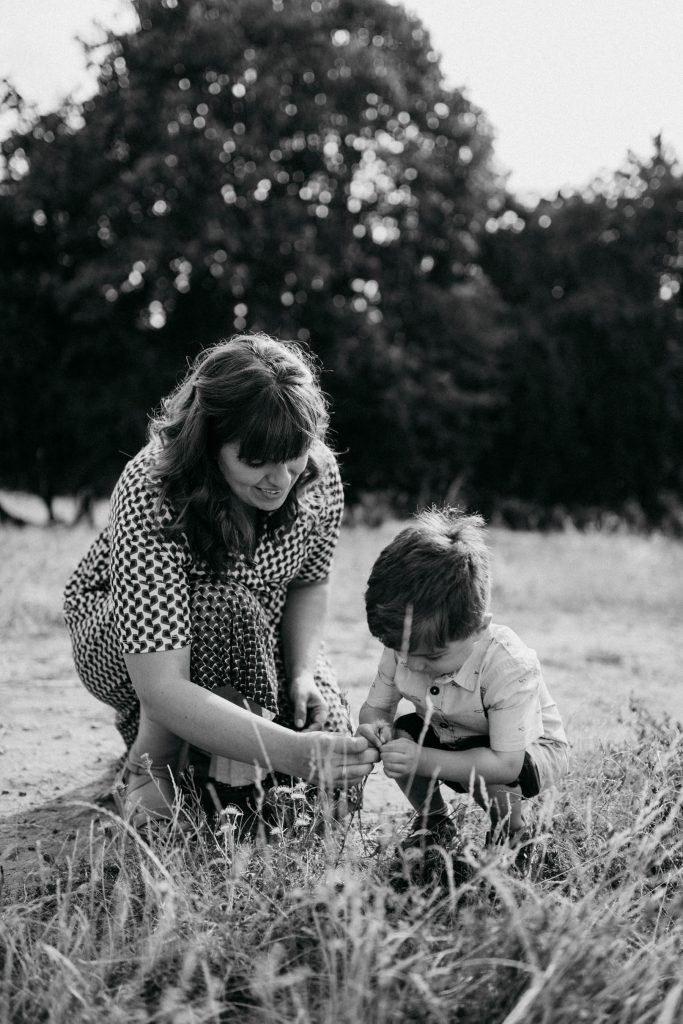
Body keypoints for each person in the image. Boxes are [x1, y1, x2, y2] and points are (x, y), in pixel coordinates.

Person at [64, 332, 377, 828]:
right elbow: (163, 684)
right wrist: (293, 752)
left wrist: (299, 673)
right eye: (256, 461)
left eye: (291, 457)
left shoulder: (319, 476)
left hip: (255, 634)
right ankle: (155, 759)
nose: (279, 479)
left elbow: (309, 584)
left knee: (327, 763)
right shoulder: (154, 487)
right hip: (131, 648)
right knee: (220, 601)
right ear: (209, 442)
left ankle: (213, 754)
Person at [357, 507, 568, 855]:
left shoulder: (506, 664)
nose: (411, 663)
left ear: (478, 628)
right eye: (400, 650)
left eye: (432, 656)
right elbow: (377, 708)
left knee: (492, 775)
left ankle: (512, 833)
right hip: (450, 735)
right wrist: (376, 730)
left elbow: (506, 762)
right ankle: (435, 823)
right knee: (401, 737)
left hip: (525, 752)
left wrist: (420, 759)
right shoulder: (408, 647)